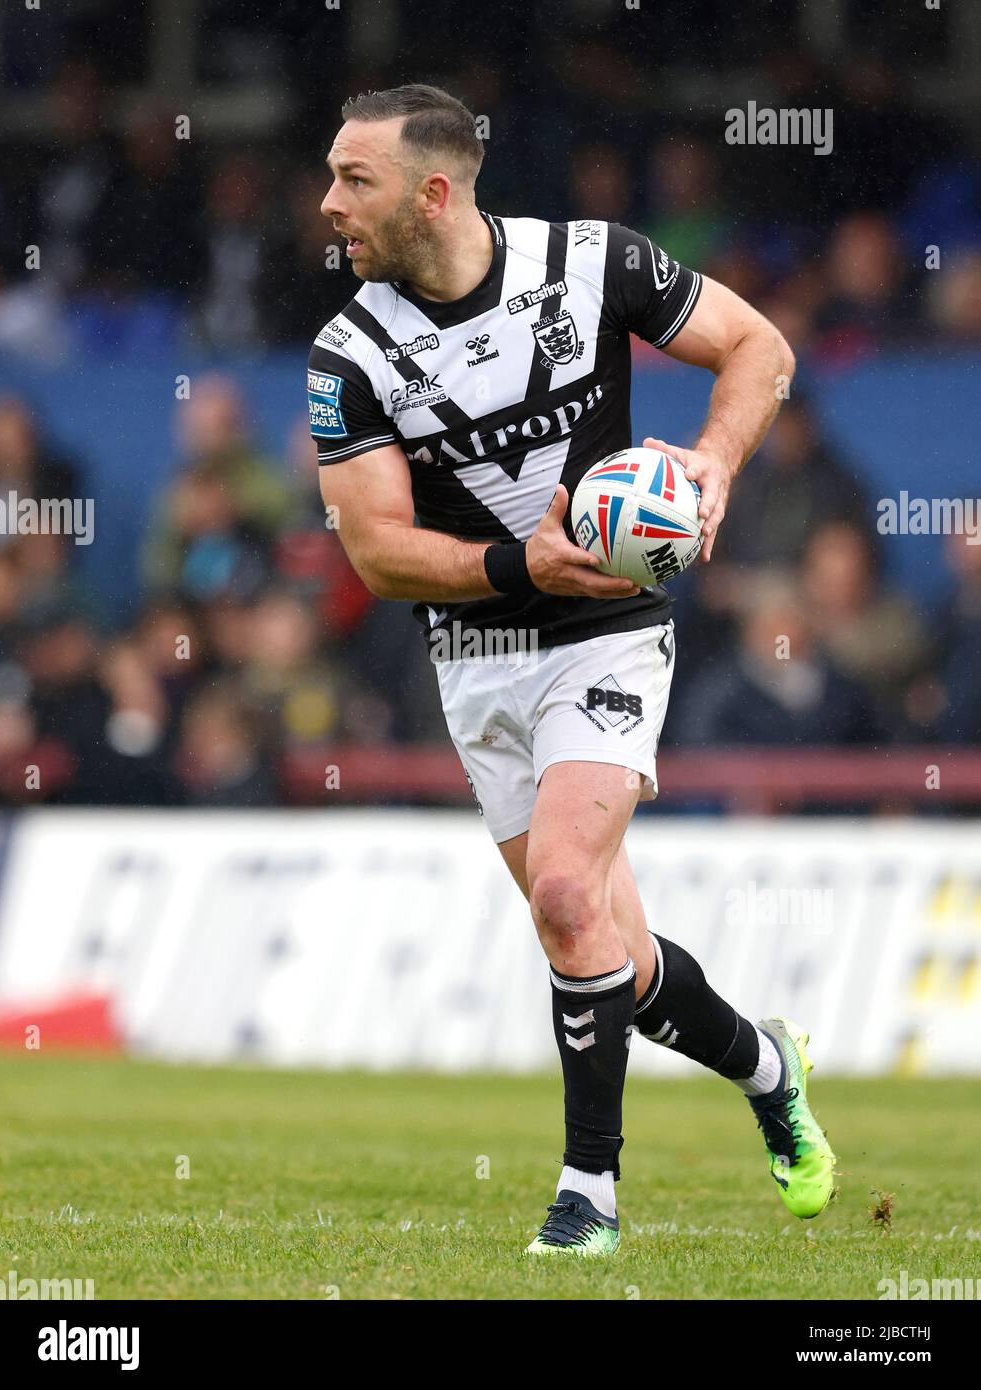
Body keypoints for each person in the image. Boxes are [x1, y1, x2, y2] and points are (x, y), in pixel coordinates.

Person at [309, 84, 835, 1256]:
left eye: (355, 180)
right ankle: (766, 1067)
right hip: (480, 652)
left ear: (433, 192)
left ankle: (587, 1195)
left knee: (561, 893)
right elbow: (380, 554)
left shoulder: (593, 265)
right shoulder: (348, 352)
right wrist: (521, 558)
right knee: (603, 944)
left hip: (610, 629)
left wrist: (710, 461)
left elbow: (760, 346)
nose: (329, 203)